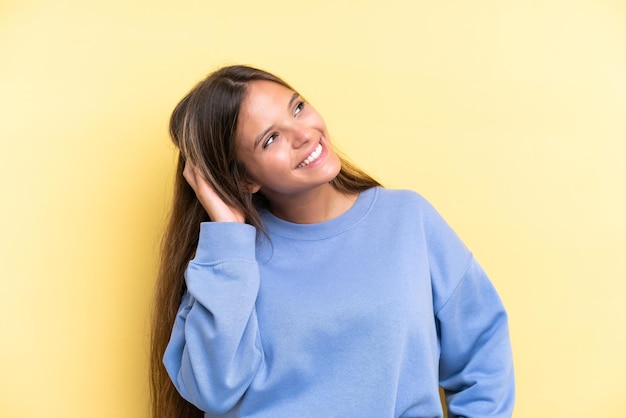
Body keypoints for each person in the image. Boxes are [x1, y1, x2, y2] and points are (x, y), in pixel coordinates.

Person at [150, 65, 515, 418]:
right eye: (271, 138)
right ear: (244, 179)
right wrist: (229, 234)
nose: (304, 134)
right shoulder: (227, 263)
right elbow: (211, 391)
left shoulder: (408, 219)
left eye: (298, 107)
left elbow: (483, 347)